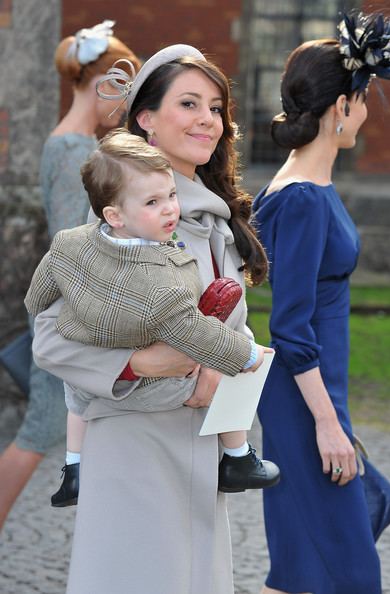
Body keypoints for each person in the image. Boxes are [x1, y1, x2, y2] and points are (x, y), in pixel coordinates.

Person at [31, 43, 271, 594]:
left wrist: (230, 363)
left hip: (205, 440)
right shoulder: (124, 211)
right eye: (188, 103)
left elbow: (228, 323)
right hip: (135, 438)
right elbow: (50, 335)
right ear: (147, 120)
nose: (207, 119)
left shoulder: (214, 212)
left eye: (215, 107)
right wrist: (140, 362)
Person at [25, 129, 280, 505]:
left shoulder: (70, 241)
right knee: (235, 364)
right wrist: (246, 355)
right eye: (153, 202)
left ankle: (74, 466)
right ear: (114, 215)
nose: (169, 209)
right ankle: (238, 456)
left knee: (74, 395)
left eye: (172, 196)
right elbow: (191, 330)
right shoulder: (160, 282)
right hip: (157, 392)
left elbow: (39, 294)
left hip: (87, 364)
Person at [253, 11, 390, 594]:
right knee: (347, 571)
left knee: (325, 550)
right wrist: (328, 424)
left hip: (314, 392)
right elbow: (288, 326)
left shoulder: (294, 185)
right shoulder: (304, 197)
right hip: (304, 397)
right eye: (363, 100)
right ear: (342, 106)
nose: (365, 112)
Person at [0, 20, 140, 531]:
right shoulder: (71, 150)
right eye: (122, 88)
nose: (125, 104)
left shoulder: (77, 144)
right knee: (36, 436)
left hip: (69, 312)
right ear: (100, 80)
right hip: (65, 316)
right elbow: (69, 237)